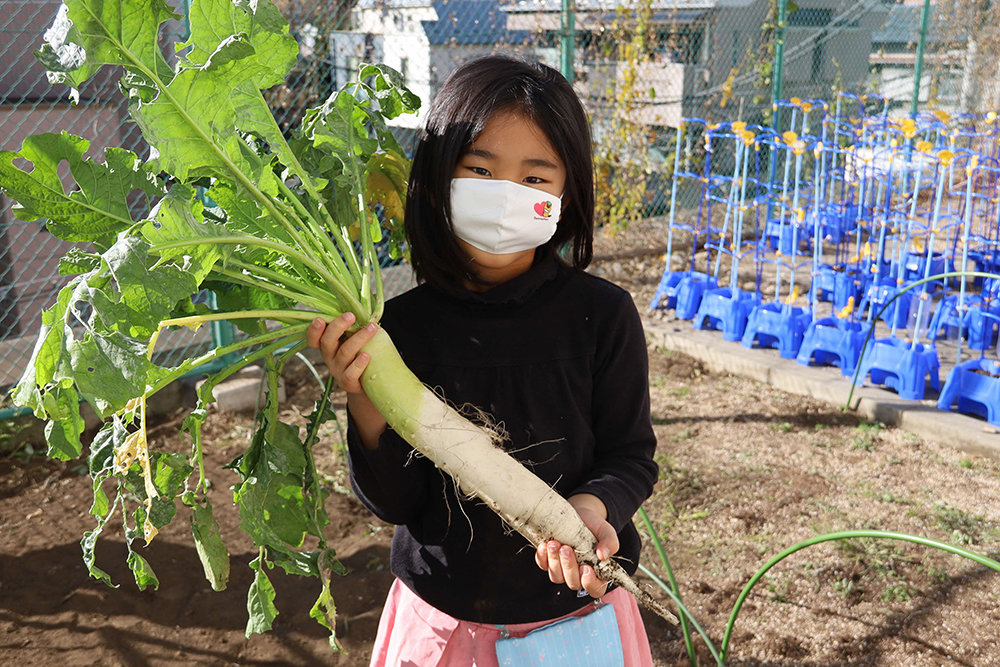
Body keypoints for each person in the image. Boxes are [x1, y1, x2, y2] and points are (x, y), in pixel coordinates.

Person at [306, 55, 659, 667]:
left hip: (578, 615)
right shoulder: (400, 329)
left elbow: (630, 457)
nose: (504, 196)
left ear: (568, 194)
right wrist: (362, 391)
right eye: (480, 169)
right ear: (439, 176)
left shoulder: (602, 316)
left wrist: (590, 510)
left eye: (535, 178)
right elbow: (394, 502)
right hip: (446, 624)